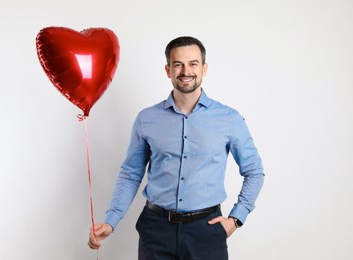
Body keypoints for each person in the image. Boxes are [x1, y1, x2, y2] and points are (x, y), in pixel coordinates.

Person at [88, 36, 264, 259]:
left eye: (193, 64)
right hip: (156, 229)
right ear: (167, 69)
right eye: (178, 64)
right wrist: (111, 220)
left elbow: (254, 171)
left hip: (207, 231)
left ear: (204, 68)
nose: (186, 71)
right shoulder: (147, 119)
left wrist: (236, 219)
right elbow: (131, 174)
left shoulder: (229, 119)